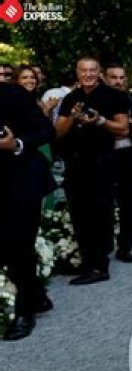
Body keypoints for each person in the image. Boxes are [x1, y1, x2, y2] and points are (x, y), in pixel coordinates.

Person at [54, 57, 130, 285]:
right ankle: (88, 263)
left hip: (101, 164)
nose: (88, 74)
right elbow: (57, 132)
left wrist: (100, 121)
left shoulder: (115, 96)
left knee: (99, 214)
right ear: (77, 73)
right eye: (83, 70)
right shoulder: (71, 98)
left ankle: (99, 266)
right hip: (75, 164)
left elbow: (123, 129)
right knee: (79, 215)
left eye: (92, 70)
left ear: (99, 73)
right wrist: (73, 117)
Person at [0, 82, 56, 340]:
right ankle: (37, 296)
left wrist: (16, 144)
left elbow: (45, 130)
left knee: (20, 247)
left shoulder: (13, 93)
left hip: (22, 180)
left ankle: (25, 313)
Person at [105, 63, 132, 263]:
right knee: (105, 203)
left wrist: (130, 125)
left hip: (130, 157)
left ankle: (125, 248)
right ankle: (105, 244)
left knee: (129, 205)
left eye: (122, 77)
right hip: (106, 157)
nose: (118, 81)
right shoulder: (99, 98)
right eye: (114, 77)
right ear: (105, 78)